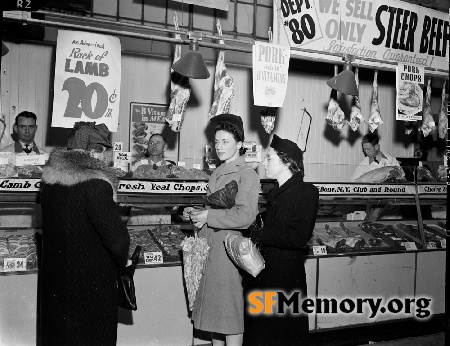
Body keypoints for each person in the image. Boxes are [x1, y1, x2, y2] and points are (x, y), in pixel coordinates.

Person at [39, 121, 130, 346]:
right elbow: (117, 241)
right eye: (101, 150)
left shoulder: (49, 182)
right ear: (91, 152)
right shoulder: (97, 185)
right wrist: (122, 264)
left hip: (57, 281)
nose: (104, 157)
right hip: (91, 284)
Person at [184, 114, 260, 346]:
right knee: (215, 316)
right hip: (210, 249)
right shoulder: (217, 172)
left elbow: (245, 216)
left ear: (239, 144)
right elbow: (216, 209)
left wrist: (209, 215)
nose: (219, 147)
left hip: (228, 251)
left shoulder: (246, 174)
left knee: (229, 314)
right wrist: (197, 214)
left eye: (225, 141)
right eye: (216, 142)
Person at [244, 134, 319, 346]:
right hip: (265, 273)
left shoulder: (306, 192)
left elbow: (298, 237)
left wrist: (262, 233)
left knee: (280, 334)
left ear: (287, 162)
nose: (264, 162)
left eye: (269, 159)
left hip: (285, 275)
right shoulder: (275, 192)